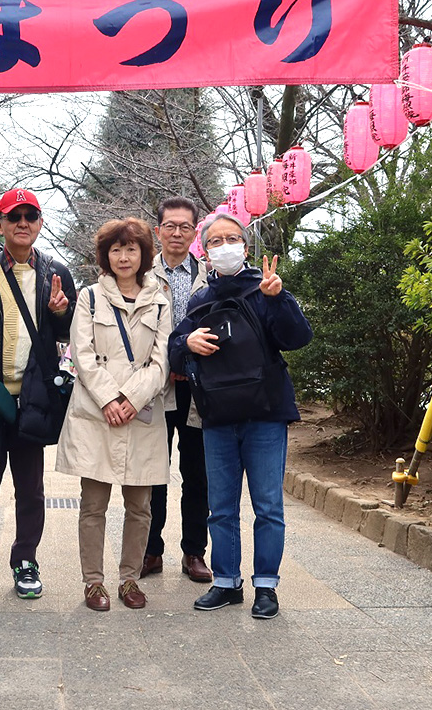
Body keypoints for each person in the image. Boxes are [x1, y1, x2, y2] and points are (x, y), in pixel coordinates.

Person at [168, 214, 312, 620]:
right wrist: (187, 341)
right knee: (221, 507)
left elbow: (298, 339)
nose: (225, 245)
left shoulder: (264, 288)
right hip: (217, 416)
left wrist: (278, 298)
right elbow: (173, 351)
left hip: (265, 415)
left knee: (268, 506)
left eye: (232, 239)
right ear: (207, 252)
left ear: (245, 248)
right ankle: (226, 581)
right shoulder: (200, 301)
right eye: (216, 241)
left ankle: (266, 586)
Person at [0, 188, 76, 600]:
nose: (23, 223)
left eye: (31, 216)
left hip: (33, 400)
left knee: (31, 488)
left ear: (41, 223)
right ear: (0, 224)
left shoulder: (56, 272)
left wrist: (62, 313)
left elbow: (67, 338)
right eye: (14, 217)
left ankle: (26, 560)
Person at [56, 217, 173, 612]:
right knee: (93, 505)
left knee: (141, 506)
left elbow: (161, 362)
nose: (124, 257)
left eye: (132, 249)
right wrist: (109, 399)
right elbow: (82, 356)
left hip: (140, 415)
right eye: (116, 249)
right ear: (105, 255)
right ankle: (93, 583)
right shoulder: (89, 297)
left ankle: (129, 579)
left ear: (144, 254)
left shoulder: (160, 300)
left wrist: (131, 399)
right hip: (98, 413)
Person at [144, 196, 212, 583]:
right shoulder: (141, 274)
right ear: (158, 230)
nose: (177, 233)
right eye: (170, 226)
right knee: (153, 471)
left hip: (200, 389)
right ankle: (151, 550)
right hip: (156, 388)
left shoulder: (211, 275)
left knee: (197, 473)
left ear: (195, 231)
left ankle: (193, 552)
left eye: (185, 226)